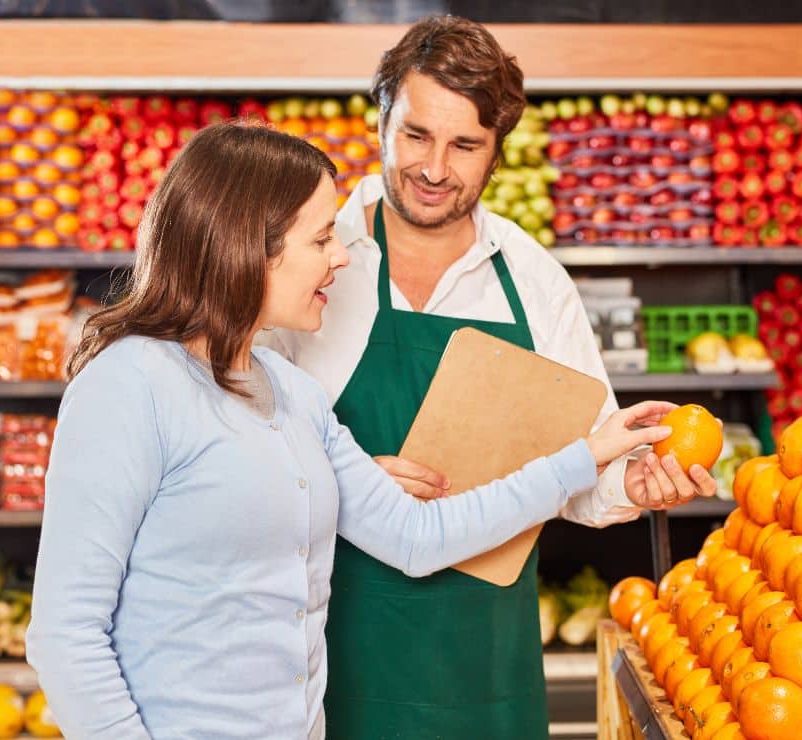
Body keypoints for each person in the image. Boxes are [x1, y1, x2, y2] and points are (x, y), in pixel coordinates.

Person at [24, 122, 676, 739]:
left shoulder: (291, 393)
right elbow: (66, 632)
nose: (340, 257)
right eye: (319, 239)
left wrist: (585, 456)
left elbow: (421, 535)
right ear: (246, 246)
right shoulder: (129, 386)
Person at [259, 15, 719, 739]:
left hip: (485, 668)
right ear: (379, 121)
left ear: (497, 152)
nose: (435, 167)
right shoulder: (311, 262)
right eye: (415, 135)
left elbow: (583, 461)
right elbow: (245, 460)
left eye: (465, 145)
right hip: (327, 657)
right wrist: (341, 482)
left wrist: (625, 485)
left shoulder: (534, 279)